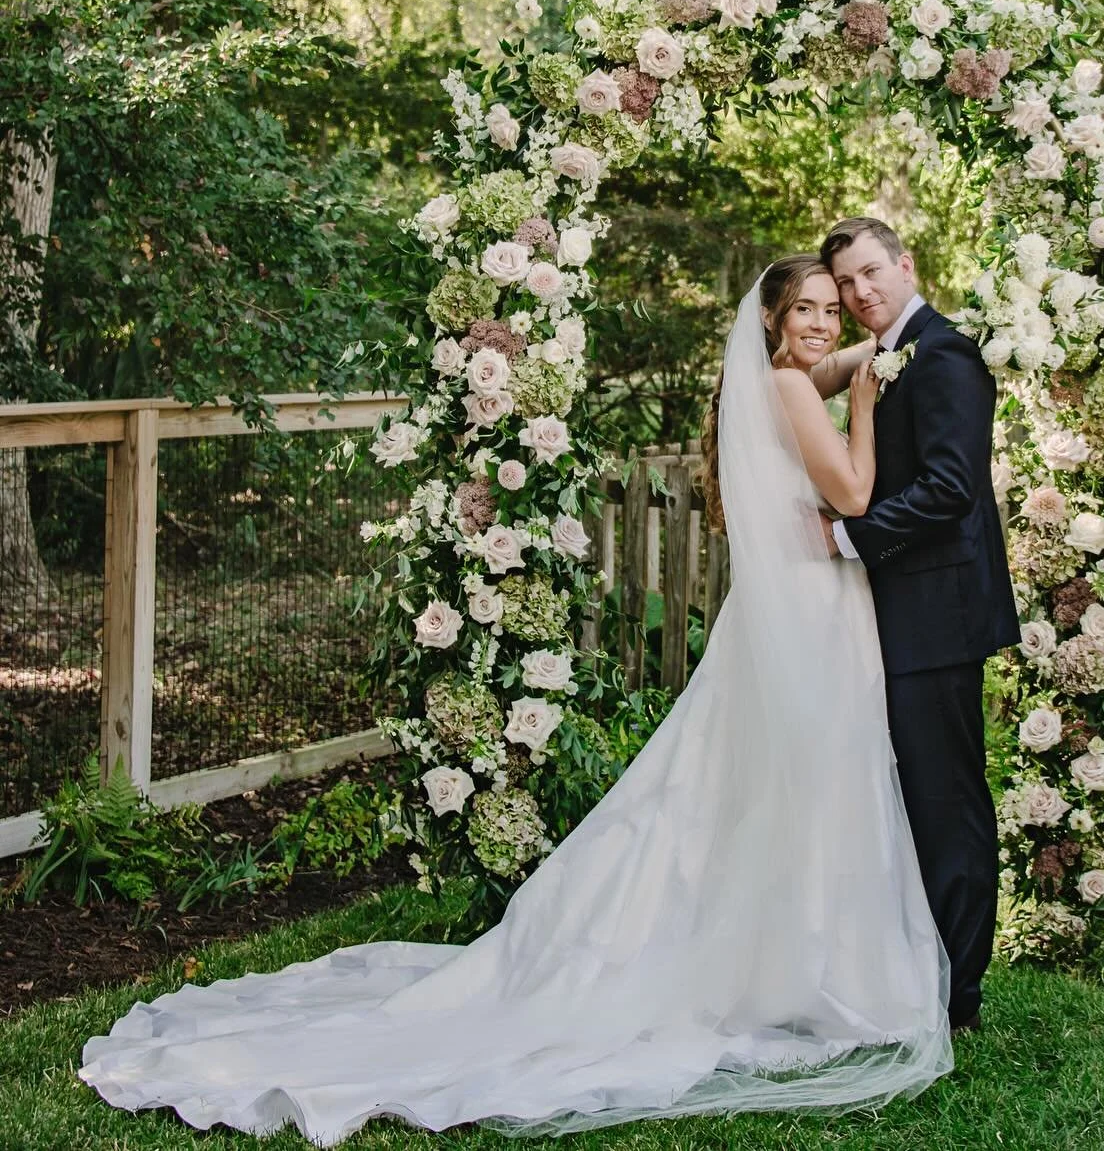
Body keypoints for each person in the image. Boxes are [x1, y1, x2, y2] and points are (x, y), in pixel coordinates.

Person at [80, 255, 953, 1145]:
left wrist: (877, 351)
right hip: (811, 608)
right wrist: (872, 401)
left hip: (788, 610)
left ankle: (786, 965)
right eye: (803, 309)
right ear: (770, 323)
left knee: (763, 784)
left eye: (830, 309)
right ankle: (810, 965)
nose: (822, 323)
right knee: (804, 780)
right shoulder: (800, 390)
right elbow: (852, 491)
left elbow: (844, 362)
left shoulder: (782, 378)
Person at [818, 217, 1021, 1033]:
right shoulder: (881, 355)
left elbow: (949, 490)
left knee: (947, 802)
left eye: (872, 273)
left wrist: (843, 536)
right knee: (913, 799)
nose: (861, 293)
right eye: (846, 286)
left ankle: (957, 995)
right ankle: (921, 967)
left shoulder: (943, 353)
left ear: (907, 264)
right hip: (901, 612)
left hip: (940, 613)